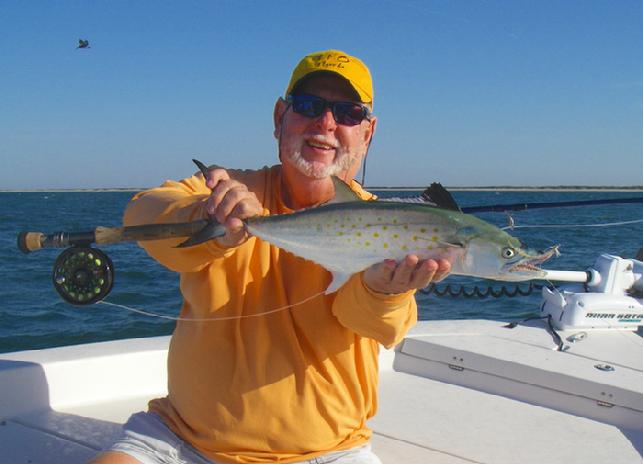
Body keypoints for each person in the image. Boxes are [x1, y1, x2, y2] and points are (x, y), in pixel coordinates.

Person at [91, 49, 451, 464]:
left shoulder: (391, 224)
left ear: (367, 133)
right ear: (280, 116)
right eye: (308, 106)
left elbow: (382, 329)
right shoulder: (227, 190)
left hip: (329, 452)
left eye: (348, 113)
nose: (326, 123)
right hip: (179, 439)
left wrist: (383, 293)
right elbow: (143, 211)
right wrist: (206, 217)